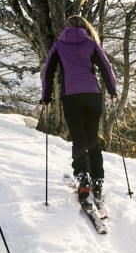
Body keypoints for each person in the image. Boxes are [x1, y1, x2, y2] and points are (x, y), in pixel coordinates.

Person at [40, 15, 118, 201]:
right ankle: (98, 179)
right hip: (92, 95)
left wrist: (46, 96)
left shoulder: (59, 45)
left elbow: (47, 72)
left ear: (67, 27)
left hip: (71, 96)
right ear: (85, 27)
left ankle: (83, 176)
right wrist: (112, 90)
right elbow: (106, 67)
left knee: (79, 138)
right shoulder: (91, 44)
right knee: (92, 137)